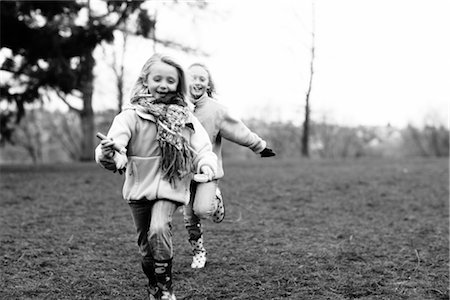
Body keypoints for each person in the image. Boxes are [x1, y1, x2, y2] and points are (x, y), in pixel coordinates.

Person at [95, 54, 218, 300]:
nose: (164, 85)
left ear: (178, 84)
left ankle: (165, 289)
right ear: (146, 80)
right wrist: (109, 153)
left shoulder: (184, 117)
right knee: (146, 247)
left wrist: (205, 164)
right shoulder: (129, 116)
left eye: (170, 80)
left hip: (171, 186)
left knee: (159, 228)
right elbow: (117, 151)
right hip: (138, 188)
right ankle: (154, 285)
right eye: (158, 79)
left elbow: (202, 146)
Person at [183, 63, 276, 269]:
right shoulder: (176, 107)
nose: (197, 82)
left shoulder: (216, 111)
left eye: (202, 79)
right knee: (189, 216)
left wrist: (259, 146)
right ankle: (199, 253)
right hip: (183, 174)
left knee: (203, 210)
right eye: (193, 78)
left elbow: (239, 131)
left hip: (208, 171)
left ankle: (215, 197)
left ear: (208, 84)